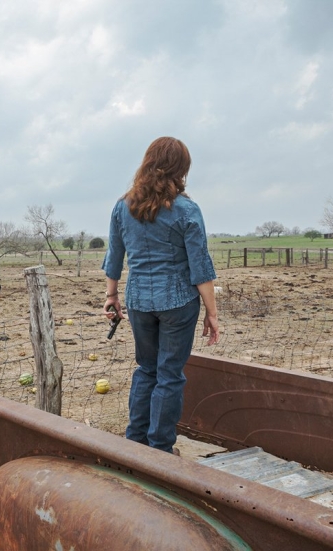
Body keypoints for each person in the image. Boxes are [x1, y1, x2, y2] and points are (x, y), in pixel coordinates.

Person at [102, 136, 219, 455]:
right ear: (181, 169)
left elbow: (115, 256)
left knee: (147, 369)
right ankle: (160, 450)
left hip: (139, 302)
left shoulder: (122, 206)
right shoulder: (187, 209)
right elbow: (200, 267)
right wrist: (212, 312)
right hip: (178, 303)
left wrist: (111, 295)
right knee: (169, 374)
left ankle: (136, 443)